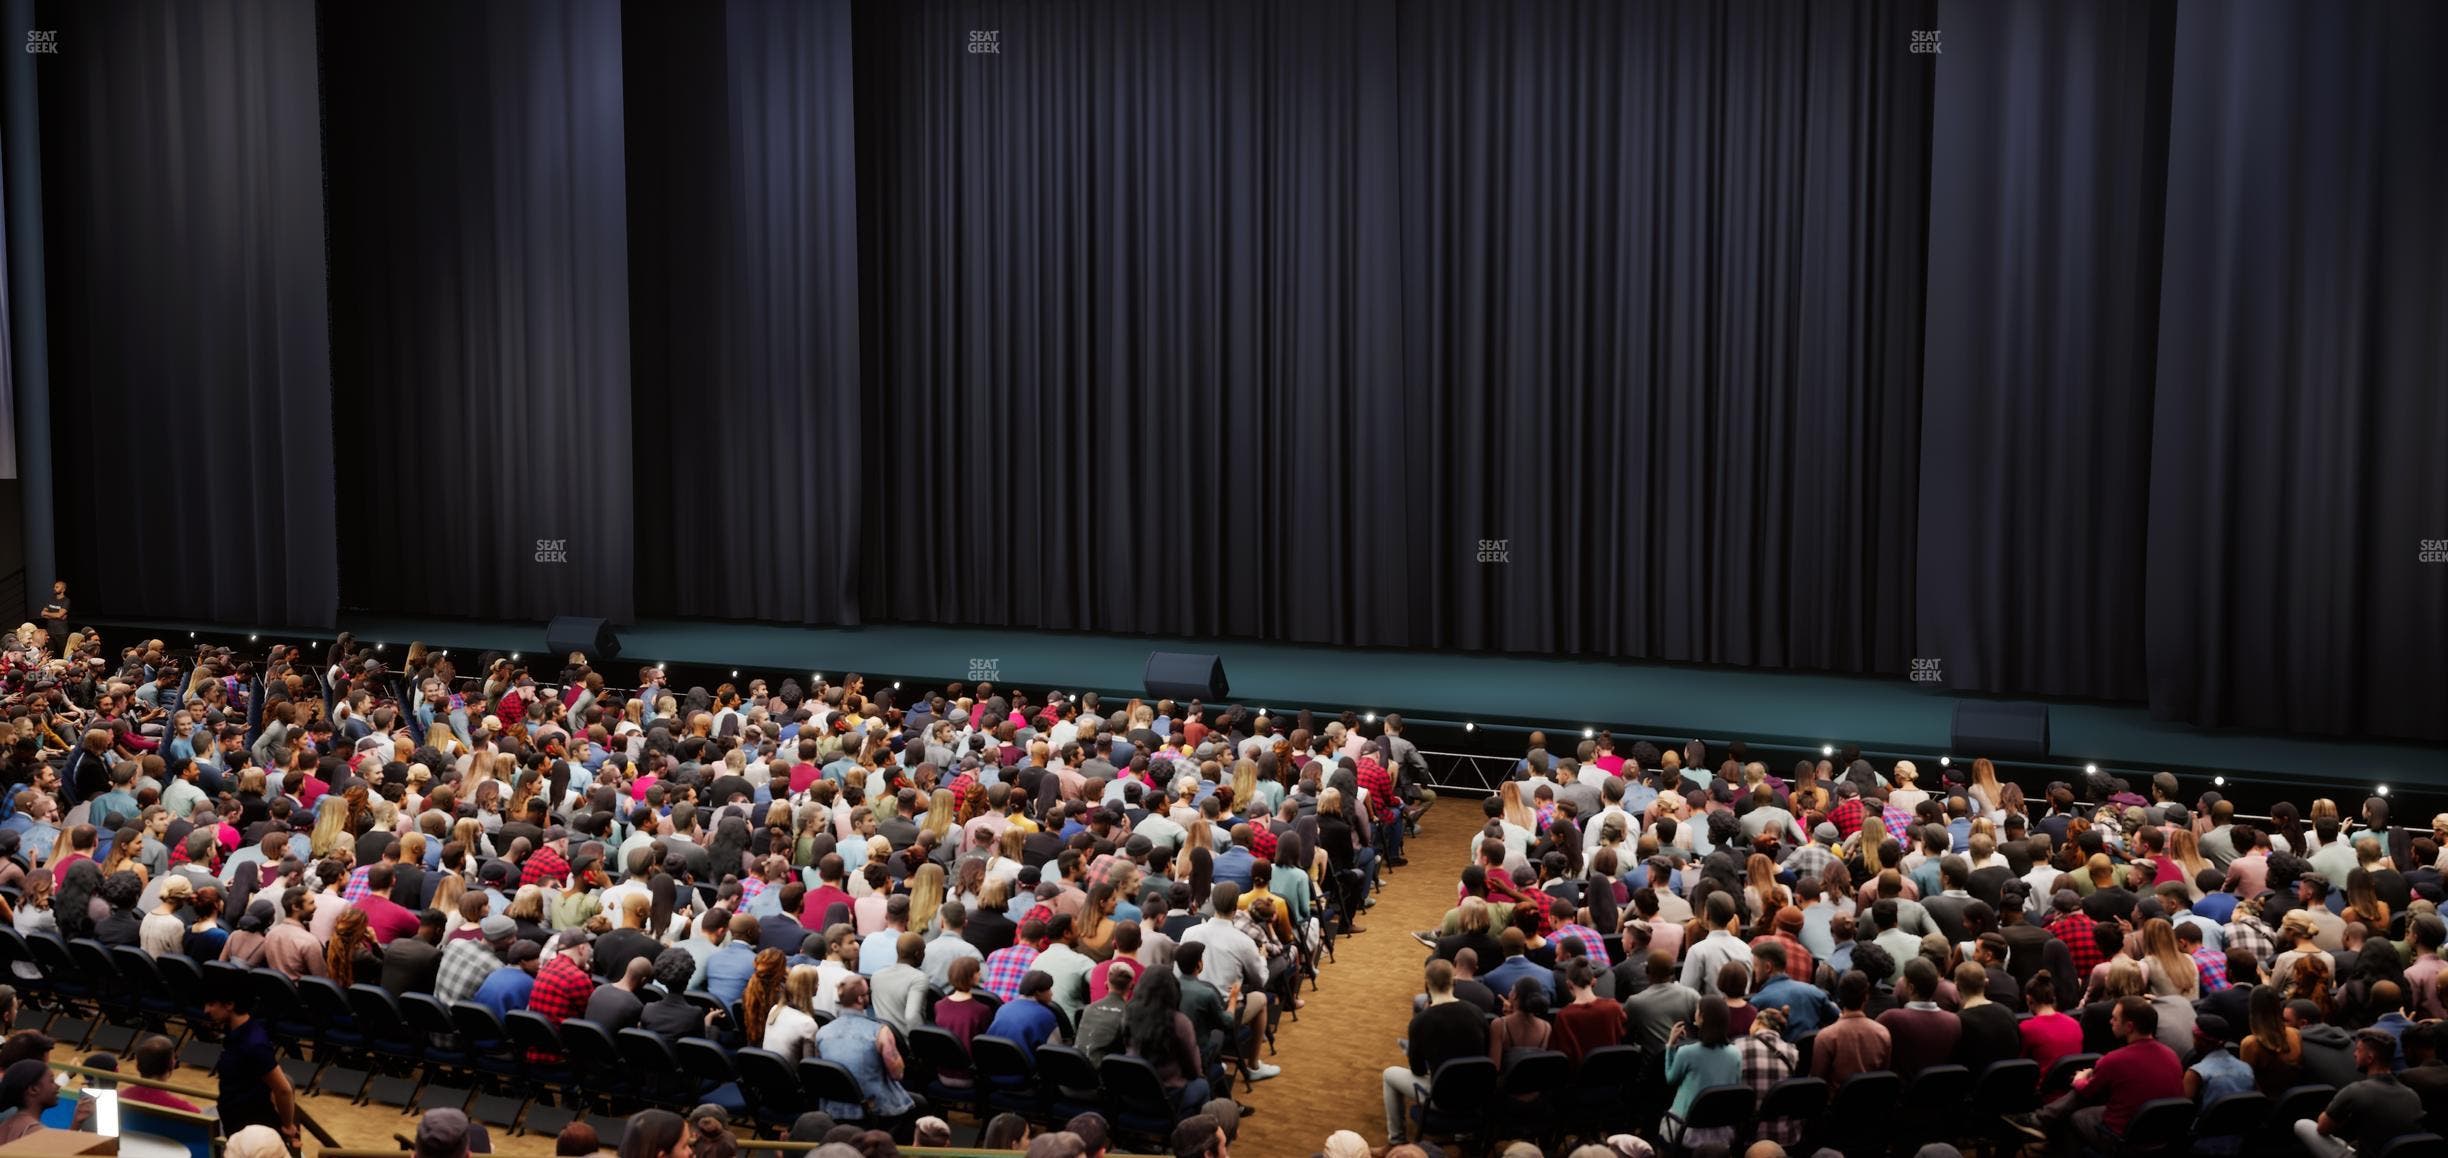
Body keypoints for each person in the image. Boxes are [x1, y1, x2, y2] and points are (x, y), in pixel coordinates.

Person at [2015, 995, 2183, 1150]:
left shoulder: (2115, 1059)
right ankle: (2042, 1123)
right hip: (2161, 1133)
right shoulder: (2172, 1055)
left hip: (2122, 1135)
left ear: (2129, 1026)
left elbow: (2086, 1092)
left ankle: (2045, 1131)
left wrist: (2080, 1078)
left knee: (2077, 1115)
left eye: (2115, 1018)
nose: (2111, 1021)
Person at [2297, 1029, 2426, 1158]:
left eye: (2358, 1050)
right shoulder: (2411, 1095)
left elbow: (2323, 1128)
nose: (2354, 1054)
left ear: (2370, 1058)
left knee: (2302, 1125)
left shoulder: (2356, 1090)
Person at [810, 976, 917, 1127]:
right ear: (860, 999)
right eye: (868, 993)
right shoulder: (881, 1033)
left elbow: (823, 1071)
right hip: (873, 1110)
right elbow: (897, 1074)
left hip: (833, 1110)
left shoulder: (822, 1033)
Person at [203, 978, 299, 1145]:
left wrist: (288, 1126)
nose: (206, 1010)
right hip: (237, 1127)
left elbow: (283, 1089)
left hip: (253, 1132)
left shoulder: (254, 1043)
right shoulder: (236, 1034)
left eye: (212, 1004)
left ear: (230, 1005)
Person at [1662, 995, 1741, 1145]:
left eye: (1697, 1010)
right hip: (1722, 1128)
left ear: (1702, 1017)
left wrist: (1670, 1046)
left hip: (1685, 1129)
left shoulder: (1687, 1052)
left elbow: (1670, 1079)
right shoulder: (1735, 1053)